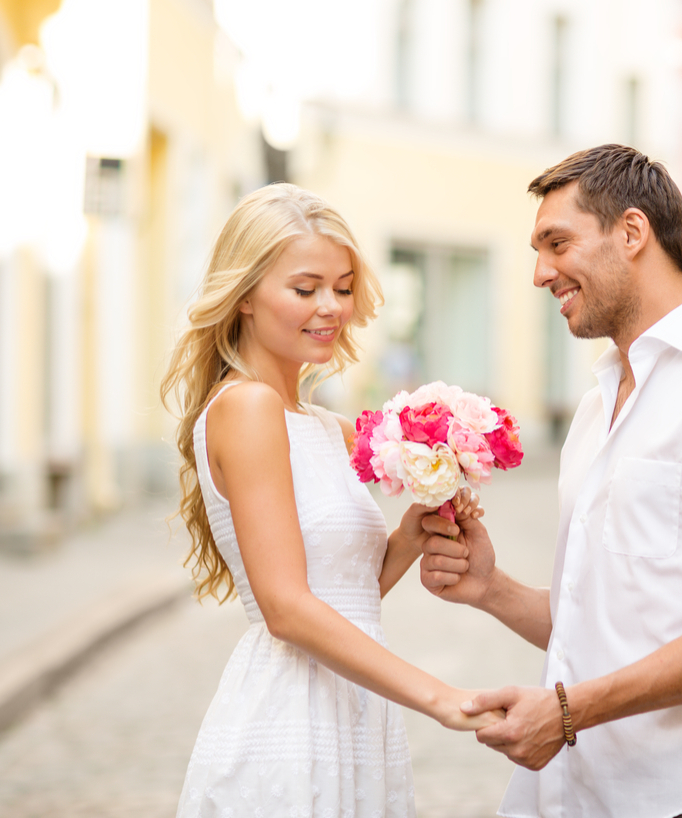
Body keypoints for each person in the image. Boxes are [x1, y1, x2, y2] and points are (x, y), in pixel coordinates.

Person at [418, 145, 682, 818]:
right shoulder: (597, 404)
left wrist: (570, 712)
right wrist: (490, 590)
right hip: (569, 795)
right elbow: (599, 622)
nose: (540, 272)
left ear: (632, 233)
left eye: (556, 243)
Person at [160, 183, 497, 817]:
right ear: (246, 298)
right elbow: (286, 608)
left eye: (343, 287)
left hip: (353, 713)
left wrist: (415, 532)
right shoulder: (246, 407)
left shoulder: (328, 428)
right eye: (305, 287)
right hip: (289, 718)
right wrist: (439, 697)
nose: (331, 307)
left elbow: (348, 590)